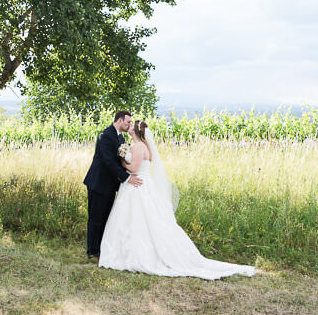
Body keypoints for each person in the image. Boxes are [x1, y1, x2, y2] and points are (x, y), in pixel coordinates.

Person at [99, 119, 256, 279]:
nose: (129, 127)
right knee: (135, 219)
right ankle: (128, 250)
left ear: (138, 132)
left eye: (132, 126)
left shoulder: (139, 146)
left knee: (137, 219)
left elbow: (134, 168)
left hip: (138, 186)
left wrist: (122, 159)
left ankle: (133, 253)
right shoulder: (140, 146)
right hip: (139, 185)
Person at [83, 111, 143, 261]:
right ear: (120, 120)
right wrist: (127, 178)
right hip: (98, 183)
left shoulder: (120, 137)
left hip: (110, 185)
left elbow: (120, 160)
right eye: (128, 122)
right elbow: (109, 161)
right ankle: (92, 251)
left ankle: (102, 249)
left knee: (106, 217)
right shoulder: (106, 136)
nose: (130, 125)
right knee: (96, 218)